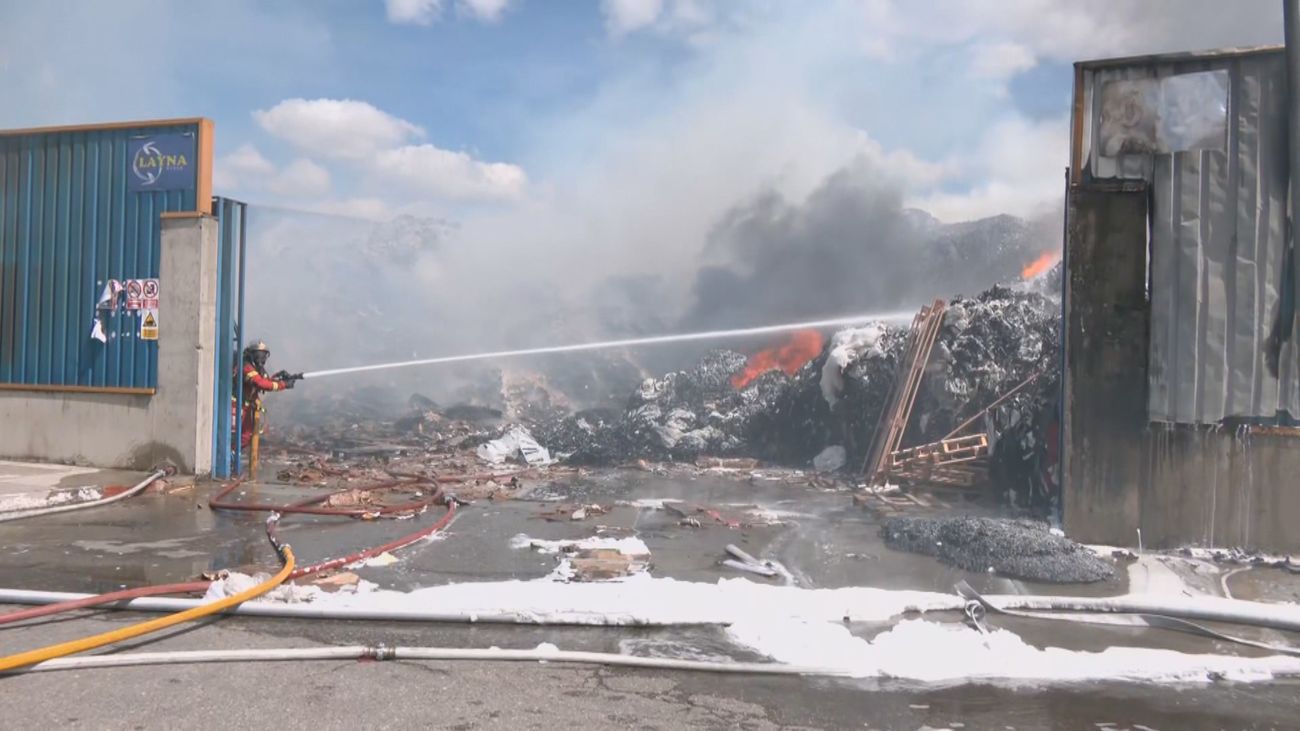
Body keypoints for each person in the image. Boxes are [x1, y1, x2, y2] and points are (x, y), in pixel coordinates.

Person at [234, 340, 300, 450]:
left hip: (245, 407)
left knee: (245, 437)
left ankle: (231, 458)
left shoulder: (256, 368)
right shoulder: (246, 366)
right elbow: (260, 383)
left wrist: (279, 378)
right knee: (235, 437)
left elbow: (265, 381)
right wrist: (283, 384)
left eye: (264, 355)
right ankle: (228, 458)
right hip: (235, 406)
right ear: (250, 354)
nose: (261, 358)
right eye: (258, 354)